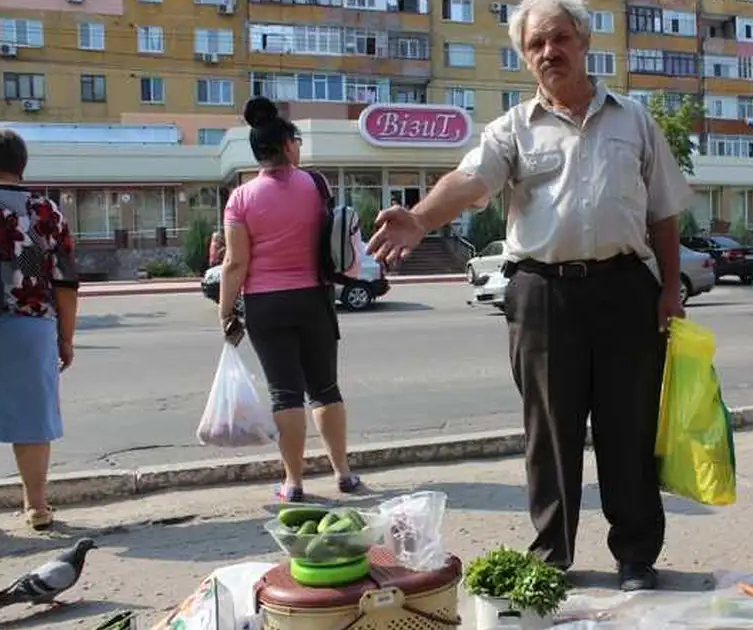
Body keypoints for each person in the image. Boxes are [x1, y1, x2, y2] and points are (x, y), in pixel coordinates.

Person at [366, 0, 692, 591]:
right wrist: (418, 218)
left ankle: (636, 556)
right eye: (535, 44)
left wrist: (671, 289)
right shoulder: (510, 128)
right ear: (524, 56)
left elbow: (664, 212)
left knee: (629, 428)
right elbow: (469, 181)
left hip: (626, 292)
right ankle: (552, 558)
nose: (549, 52)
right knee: (550, 433)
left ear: (584, 43)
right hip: (543, 295)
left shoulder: (634, 120)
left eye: (559, 38)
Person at [218, 96, 360, 502]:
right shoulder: (316, 185)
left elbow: (234, 262)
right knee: (325, 388)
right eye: (294, 140)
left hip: (265, 304)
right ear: (286, 146)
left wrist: (227, 310)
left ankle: (293, 482)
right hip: (315, 297)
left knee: (285, 393)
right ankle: (344, 474)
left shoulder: (240, 199)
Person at [0, 126, 79, 539]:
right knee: (32, 420)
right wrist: (65, 338)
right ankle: (37, 507)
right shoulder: (47, 211)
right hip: (32, 324)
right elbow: (65, 282)